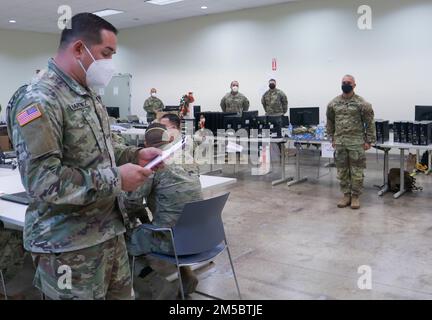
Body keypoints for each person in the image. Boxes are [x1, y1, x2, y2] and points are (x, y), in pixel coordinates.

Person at [6, 12, 162, 300]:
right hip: (66, 246)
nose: (110, 64)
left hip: (108, 234)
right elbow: (42, 180)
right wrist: (117, 179)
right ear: (79, 48)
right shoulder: (39, 100)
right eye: (106, 53)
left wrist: (136, 154)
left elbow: (102, 150)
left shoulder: (87, 94)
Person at [126, 123, 203, 296]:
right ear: (168, 139)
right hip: (201, 235)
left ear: (146, 145)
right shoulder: (187, 157)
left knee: (121, 239)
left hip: (171, 240)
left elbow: (132, 203)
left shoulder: (154, 164)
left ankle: (156, 285)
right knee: (177, 219)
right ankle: (186, 275)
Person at [326, 75, 376, 210]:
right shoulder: (333, 103)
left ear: (354, 85)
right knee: (342, 171)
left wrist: (369, 140)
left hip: (356, 142)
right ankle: (346, 195)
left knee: (357, 171)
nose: (346, 84)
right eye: (343, 82)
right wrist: (332, 137)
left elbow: (370, 123)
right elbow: (330, 121)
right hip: (340, 142)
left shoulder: (362, 104)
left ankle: (355, 196)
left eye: (349, 83)